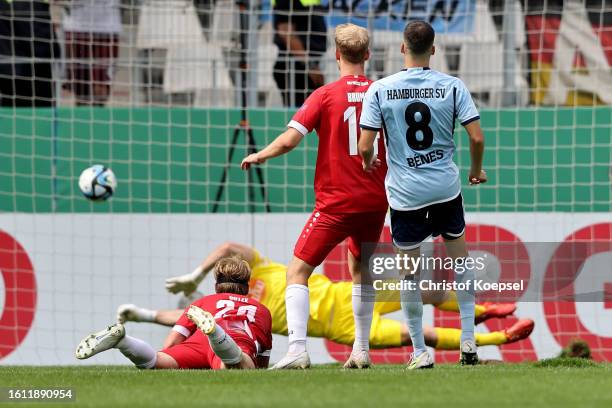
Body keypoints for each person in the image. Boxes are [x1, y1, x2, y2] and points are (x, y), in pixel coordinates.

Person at [241, 24, 388, 369]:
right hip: (375, 200)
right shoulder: (382, 93)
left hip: (336, 203)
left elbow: (290, 140)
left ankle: (297, 349)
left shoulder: (325, 95)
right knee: (361, 269)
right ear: (367, 55)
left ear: (336, 55)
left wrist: (260, 154)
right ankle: (361, 349)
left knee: (297, 271)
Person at [118, 242, 535, 352]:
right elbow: (186, 318)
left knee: (420, 287)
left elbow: (230, 245)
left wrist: (196, 272)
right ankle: (502, 338)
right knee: (417, 336)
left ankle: (483, 312)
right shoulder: (234, 308)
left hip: (344, 294)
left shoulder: (260, 267)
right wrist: (142, 314)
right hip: (342, 326)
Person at [358, 21, 487, 369]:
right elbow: (476, 138)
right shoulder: (453, 86)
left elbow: (365, 146)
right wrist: (475, 171)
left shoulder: (380, 90)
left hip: (406, 195)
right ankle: (469, 340)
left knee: (409, 274)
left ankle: (419, 352)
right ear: (433, 49)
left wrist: (370, 162)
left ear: (402, 48)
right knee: (461, 261)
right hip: (446, 187)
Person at [75, 257, 273, 370]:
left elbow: (172, 342)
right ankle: (217, 334)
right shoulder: (262, 310)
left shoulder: (202, 302)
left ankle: (122, 341)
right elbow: (263, 355)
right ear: (247, 286)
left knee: (156, 362)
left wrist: (168, 355)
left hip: (197, 345)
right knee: (240, 367)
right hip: (236, 338)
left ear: (216, 285)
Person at [61, 0, 122, 105]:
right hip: (76, 27)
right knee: (80, 87)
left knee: (101, 86)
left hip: (107, 28)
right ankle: (81, 116)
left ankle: (99, 114)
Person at [272, 0, 327, 107]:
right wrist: (310, 65)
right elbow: (286, 33)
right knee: (301, 117)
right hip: (296, 69)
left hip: (304, 66)